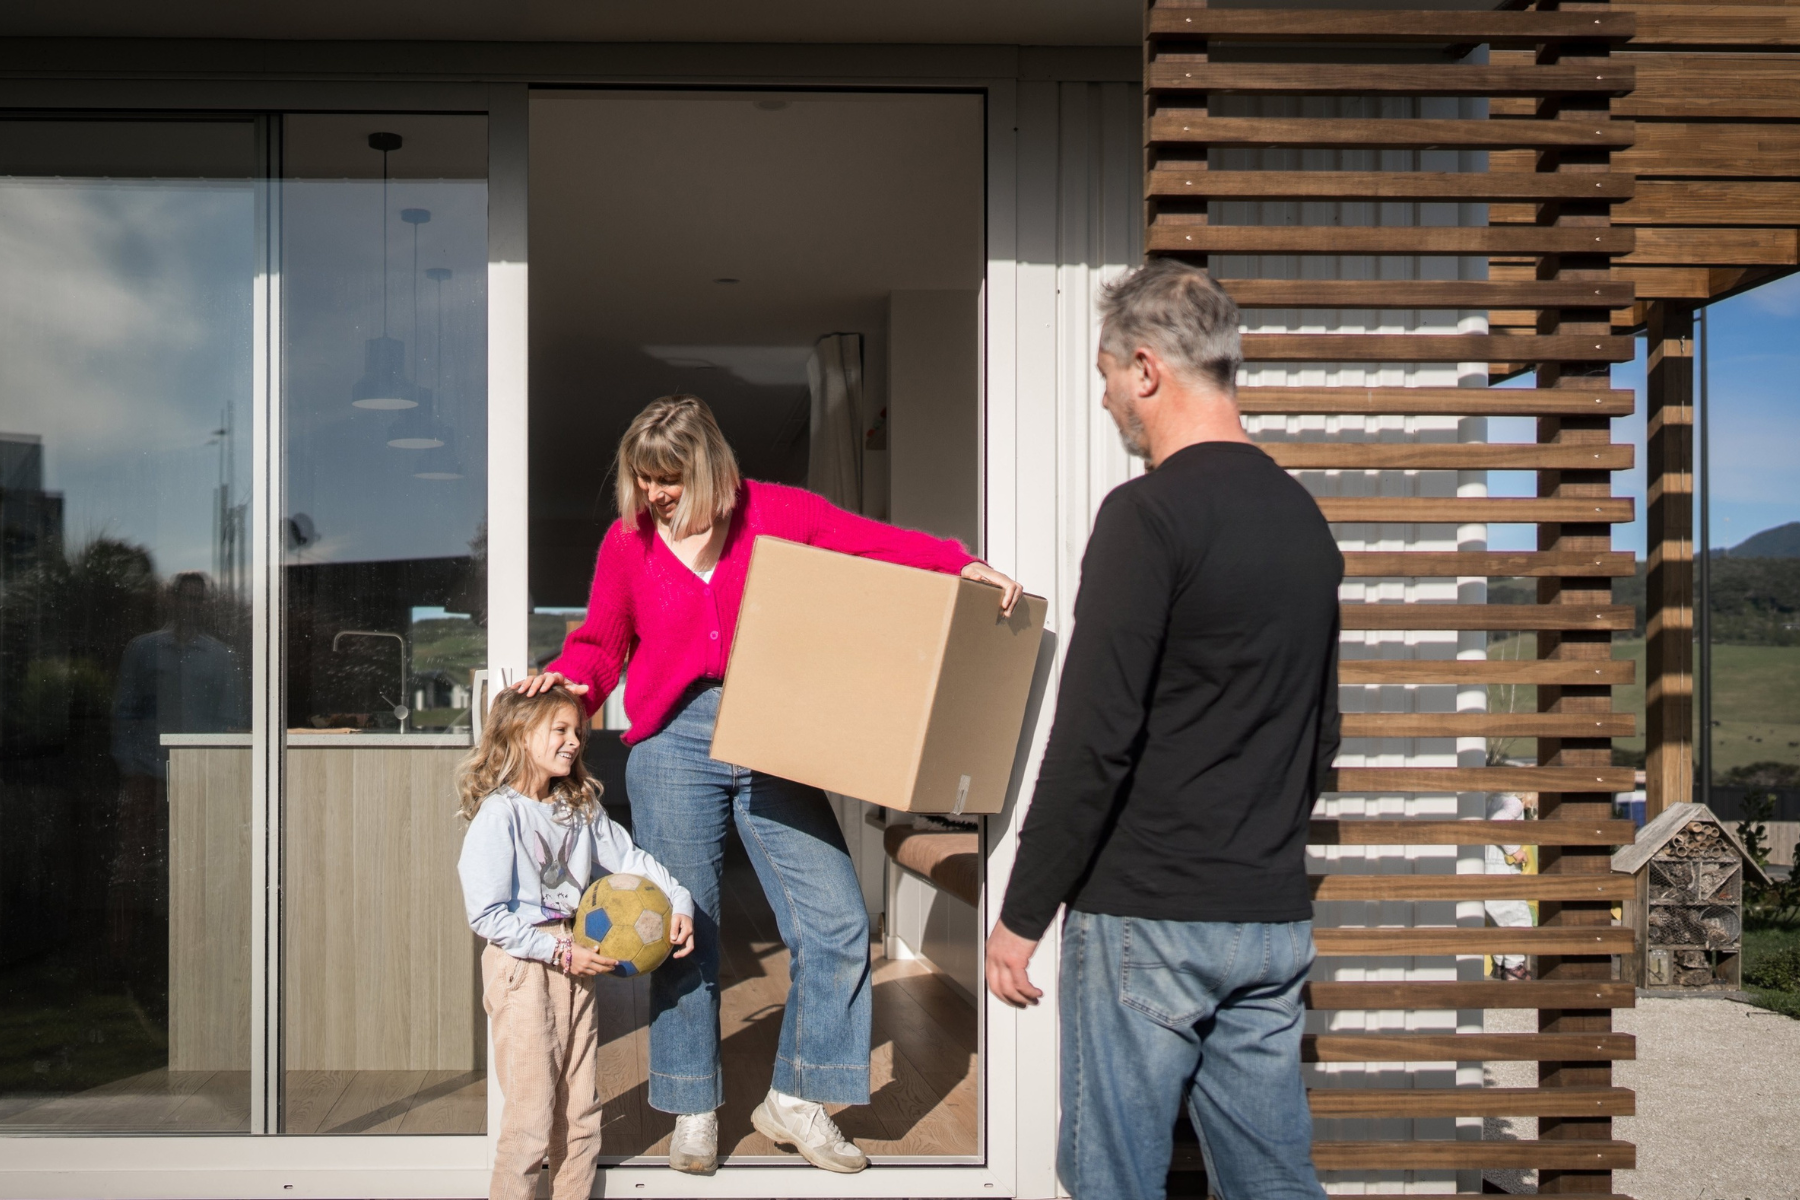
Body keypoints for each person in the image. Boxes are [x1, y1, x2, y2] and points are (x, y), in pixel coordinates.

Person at [519, 394, 1021, 1175]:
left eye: (670, 478)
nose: (655, 494)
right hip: (673, 740)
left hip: (774, 731)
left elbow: (870, 543)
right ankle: (692, 1106)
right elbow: (600, 645)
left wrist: (956, 563)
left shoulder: (775, 513)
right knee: (681, 928)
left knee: (837, 921)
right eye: (644, 478)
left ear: (709, 468)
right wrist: (568, 683)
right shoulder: (629, 543)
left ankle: (797, 1098)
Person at [985, 259, 1340, 1200]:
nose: (1104, 398)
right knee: (1272, 1182)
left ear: (1146, 368)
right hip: (1268, 920)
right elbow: (1321, 733)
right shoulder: (1305, 521)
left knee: (1114, 1182)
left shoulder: (1146, 516)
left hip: (1147, 917)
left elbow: (1093, 739)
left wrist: (1021, 916)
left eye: (1105, 374)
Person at [457, 684, 697, 1200]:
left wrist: (679, 900)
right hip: (524, 965)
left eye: (577, 733)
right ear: (521, 734)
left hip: (574, 957)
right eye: (560, 730)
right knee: (529, 1121)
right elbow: (487, 915)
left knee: (581, 1115)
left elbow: (629, 859)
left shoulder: (578, 806)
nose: (573, 742)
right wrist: (559, 951)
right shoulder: (500, 814)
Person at [1485, 791, 1534, 982]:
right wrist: (1515, 850)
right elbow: (1498, 822)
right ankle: (1514, 967)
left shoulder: (1490, 800)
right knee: (1519, 920)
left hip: (1486, 869)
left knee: (1500, 923)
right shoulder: (1513, 803)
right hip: (1502, 871)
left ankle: (1501, 965)